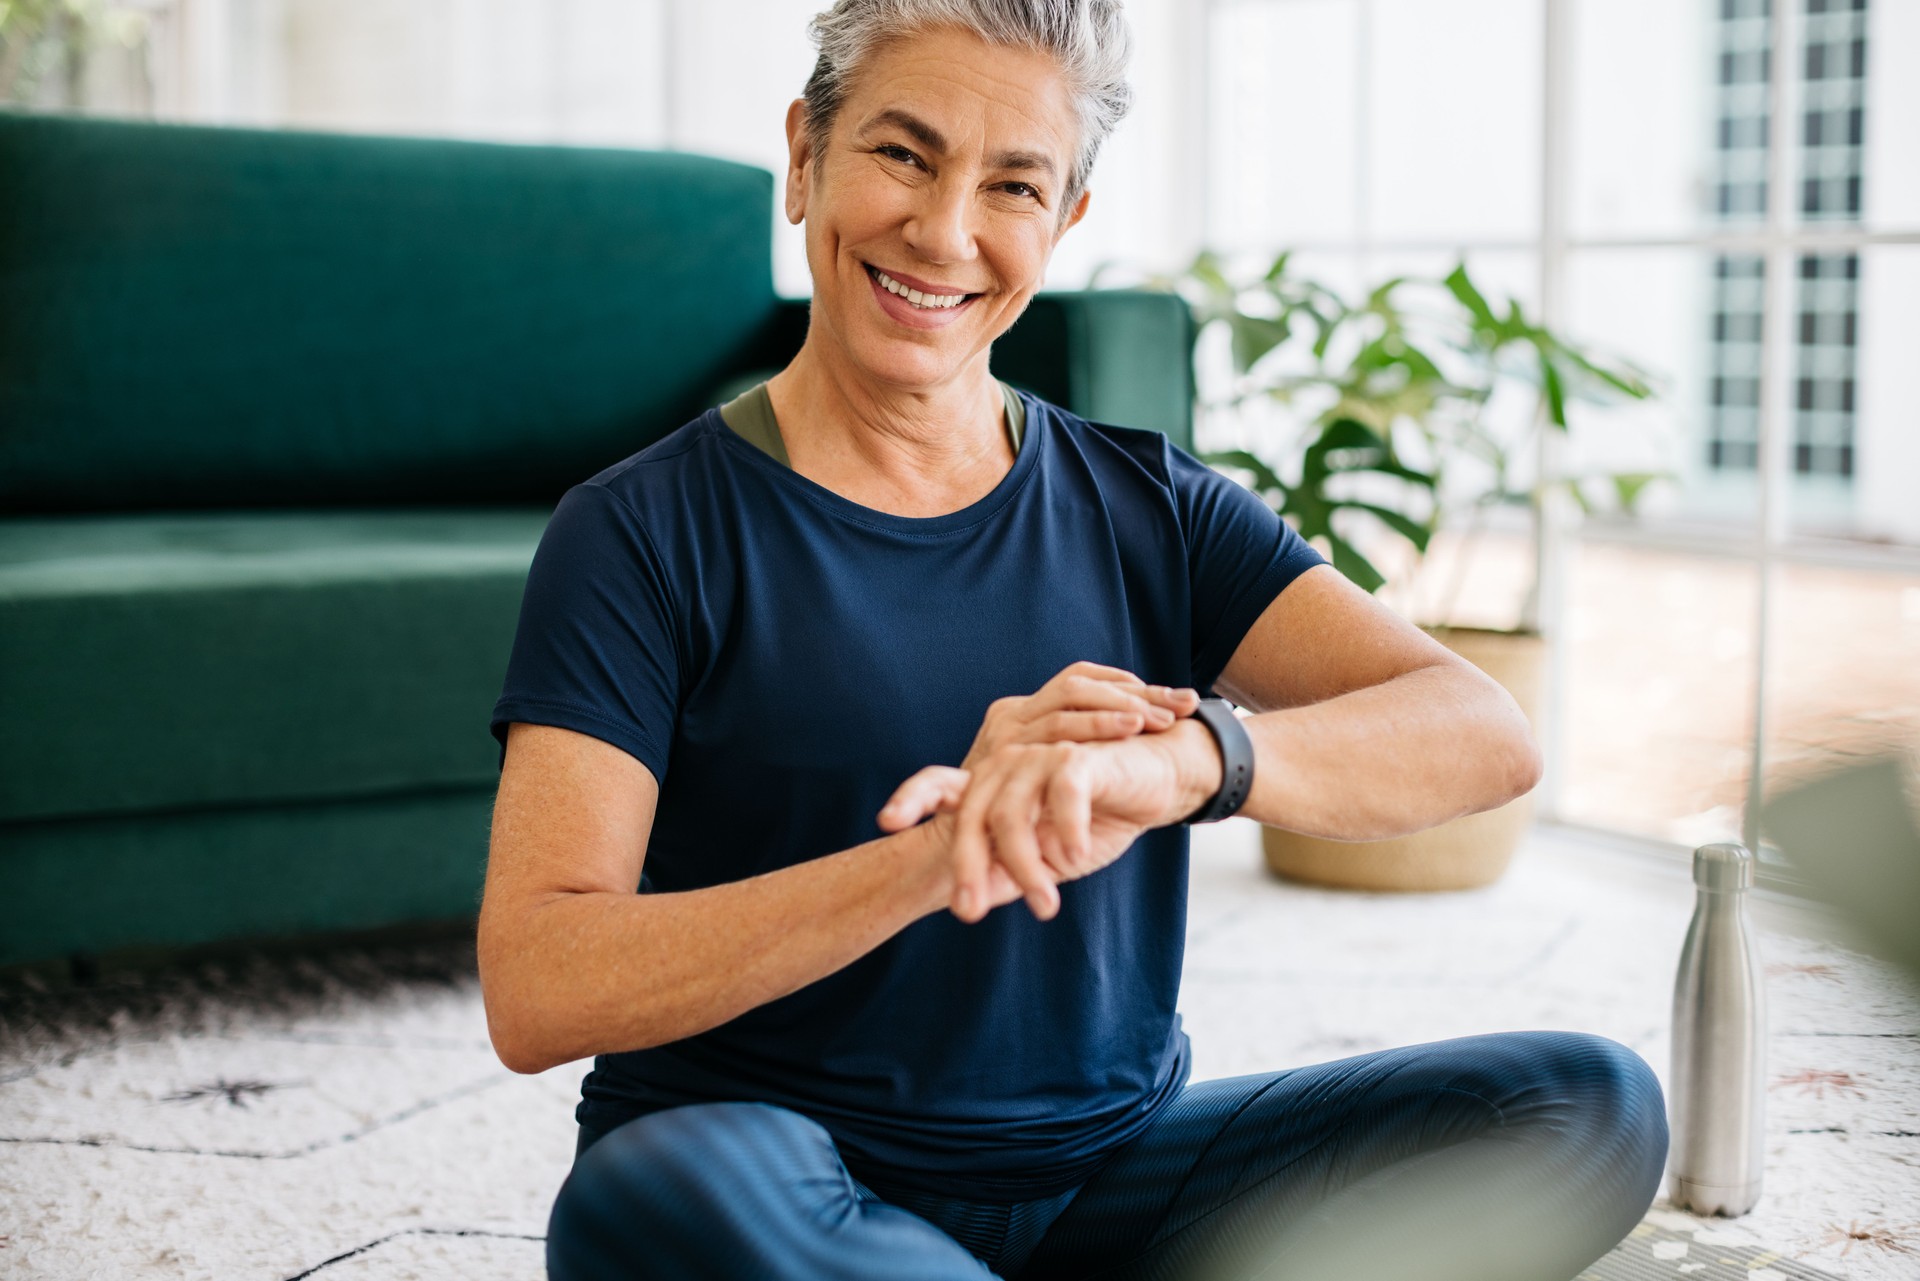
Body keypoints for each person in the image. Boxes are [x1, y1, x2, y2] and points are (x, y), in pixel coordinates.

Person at [478, 2, 1668, 1277]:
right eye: (902, 155)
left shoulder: (1148, 505)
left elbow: (1483, 734)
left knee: (1583, 1106)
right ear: (804, 155)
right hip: (781, 1175)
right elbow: (540, 984)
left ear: (1065, 222)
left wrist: (1183, 765)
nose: (942, 232)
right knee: (651, 1203)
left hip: (1118, 1185)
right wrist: (943, 853)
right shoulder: (641, 531)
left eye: (1012, 185)